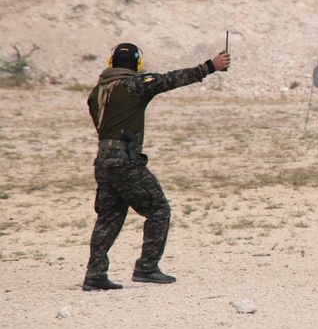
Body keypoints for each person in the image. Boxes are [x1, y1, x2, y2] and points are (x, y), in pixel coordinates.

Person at [81, 42, 231, 291]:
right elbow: (170, 80)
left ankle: (95, 274)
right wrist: (209, 67)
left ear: (111, 63)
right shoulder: (134, 85)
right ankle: (147, 267)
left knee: (108, 218)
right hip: (125, 162)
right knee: (159, 210)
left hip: (103, 161)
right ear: (137, 64)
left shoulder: (97, 91)